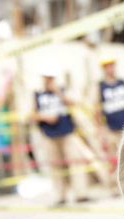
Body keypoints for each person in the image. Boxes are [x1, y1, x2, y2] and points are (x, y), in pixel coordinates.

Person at [30, 57, 89, 205]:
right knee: (55, 166)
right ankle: (60, 196)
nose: (49, 79)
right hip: (49, 135)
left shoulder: (62, 89)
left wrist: (58, 93)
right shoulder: (36, 93)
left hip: (67, 131)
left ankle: (81, 193)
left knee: (76, 162)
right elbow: (30, 114)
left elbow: (74, 103)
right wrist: (44, 117)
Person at [95, 55, 124, 163]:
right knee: (115, 159)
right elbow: (96, 109)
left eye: (111, 65)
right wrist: (100, 129)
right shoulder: (100, 86)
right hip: (111, 130)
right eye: (107, 66)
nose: (110, 68)